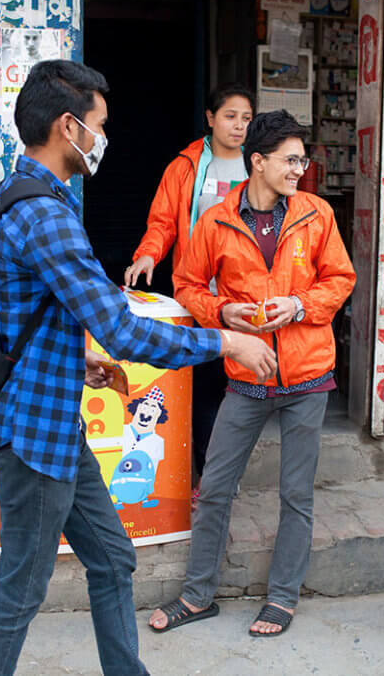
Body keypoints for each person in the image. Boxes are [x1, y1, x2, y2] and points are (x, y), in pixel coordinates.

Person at [0, 60, 276, 676]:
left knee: (112, 558)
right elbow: (122, 328)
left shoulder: (14, 194)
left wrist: (78, 361)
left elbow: (18, 309)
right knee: (20, 591)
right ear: (67, 126)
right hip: (32, 436)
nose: (104, 139)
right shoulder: (46, 215)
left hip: (53, 425)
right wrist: (224, 344)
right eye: (99, 126)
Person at [150, 109, 356, 637]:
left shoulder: (316, 214)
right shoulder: (215, 222)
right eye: (290, 160)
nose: (299, 169)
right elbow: (187, 284)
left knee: (296, 494)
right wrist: (223, 314)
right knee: (215, 486)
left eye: (301, 160)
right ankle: (198, 597)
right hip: (247, 376)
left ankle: (283, 598)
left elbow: (341, 278)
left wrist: (300, 307)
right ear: (258, 163)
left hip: (308, 375)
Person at [124, 84, 255, 489]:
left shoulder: (260, 164)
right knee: (206, 387)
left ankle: (223, 476)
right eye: (230, 116)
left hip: (248, 294)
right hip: (200, 293)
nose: (238, 126)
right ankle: (207, 480)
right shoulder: (186, 166)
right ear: (211, 118)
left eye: (246, 119)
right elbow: (163, 221)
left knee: (244, 386)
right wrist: (148, 254)